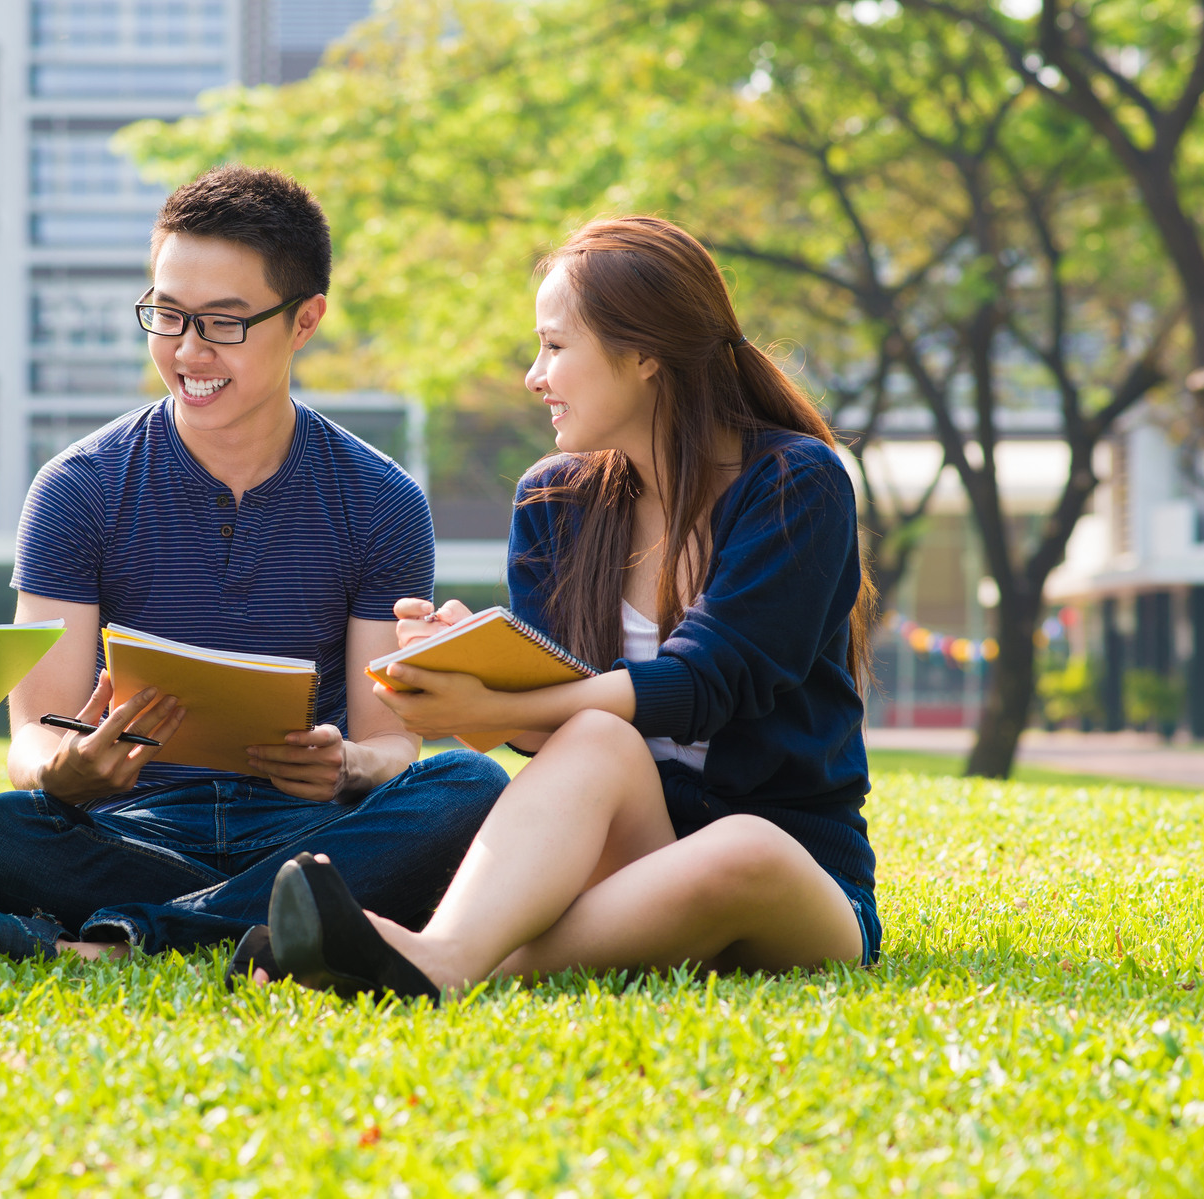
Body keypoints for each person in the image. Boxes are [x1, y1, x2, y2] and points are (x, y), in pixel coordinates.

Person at [264, 215, 883, 1001]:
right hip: (628, 852)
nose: (533, 374)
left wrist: (509, 696)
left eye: (555, 346)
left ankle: (434, 960)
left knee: (742, 847)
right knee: (594, 734)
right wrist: (465, 673)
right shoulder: (555, 500)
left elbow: (707, 682)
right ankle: (430, 956)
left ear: (646, 353)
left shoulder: (797, 482)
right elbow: (536, 730)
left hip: (793, 874)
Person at [0, 165, 508, 974]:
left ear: (305, 319)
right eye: (167, 314)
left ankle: (119, 940)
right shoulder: (78, 487)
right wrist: (67, 770)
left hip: (304, 828)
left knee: (466, 785)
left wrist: (344, 761)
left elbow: (390, 746)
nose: (187, 350)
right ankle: (263, 924)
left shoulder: (381, 499)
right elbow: (32, 737)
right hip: (134, 824)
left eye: (223, 322)